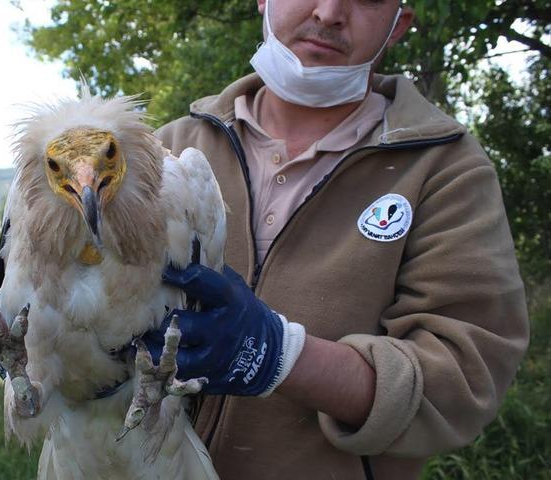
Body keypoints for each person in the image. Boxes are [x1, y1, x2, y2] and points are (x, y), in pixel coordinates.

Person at [145, 0, 530, 478]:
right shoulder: (165, 150)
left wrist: (276, 355)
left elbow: (466, 381)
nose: (329, 12)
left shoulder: (445, 169)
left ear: (398, 25)